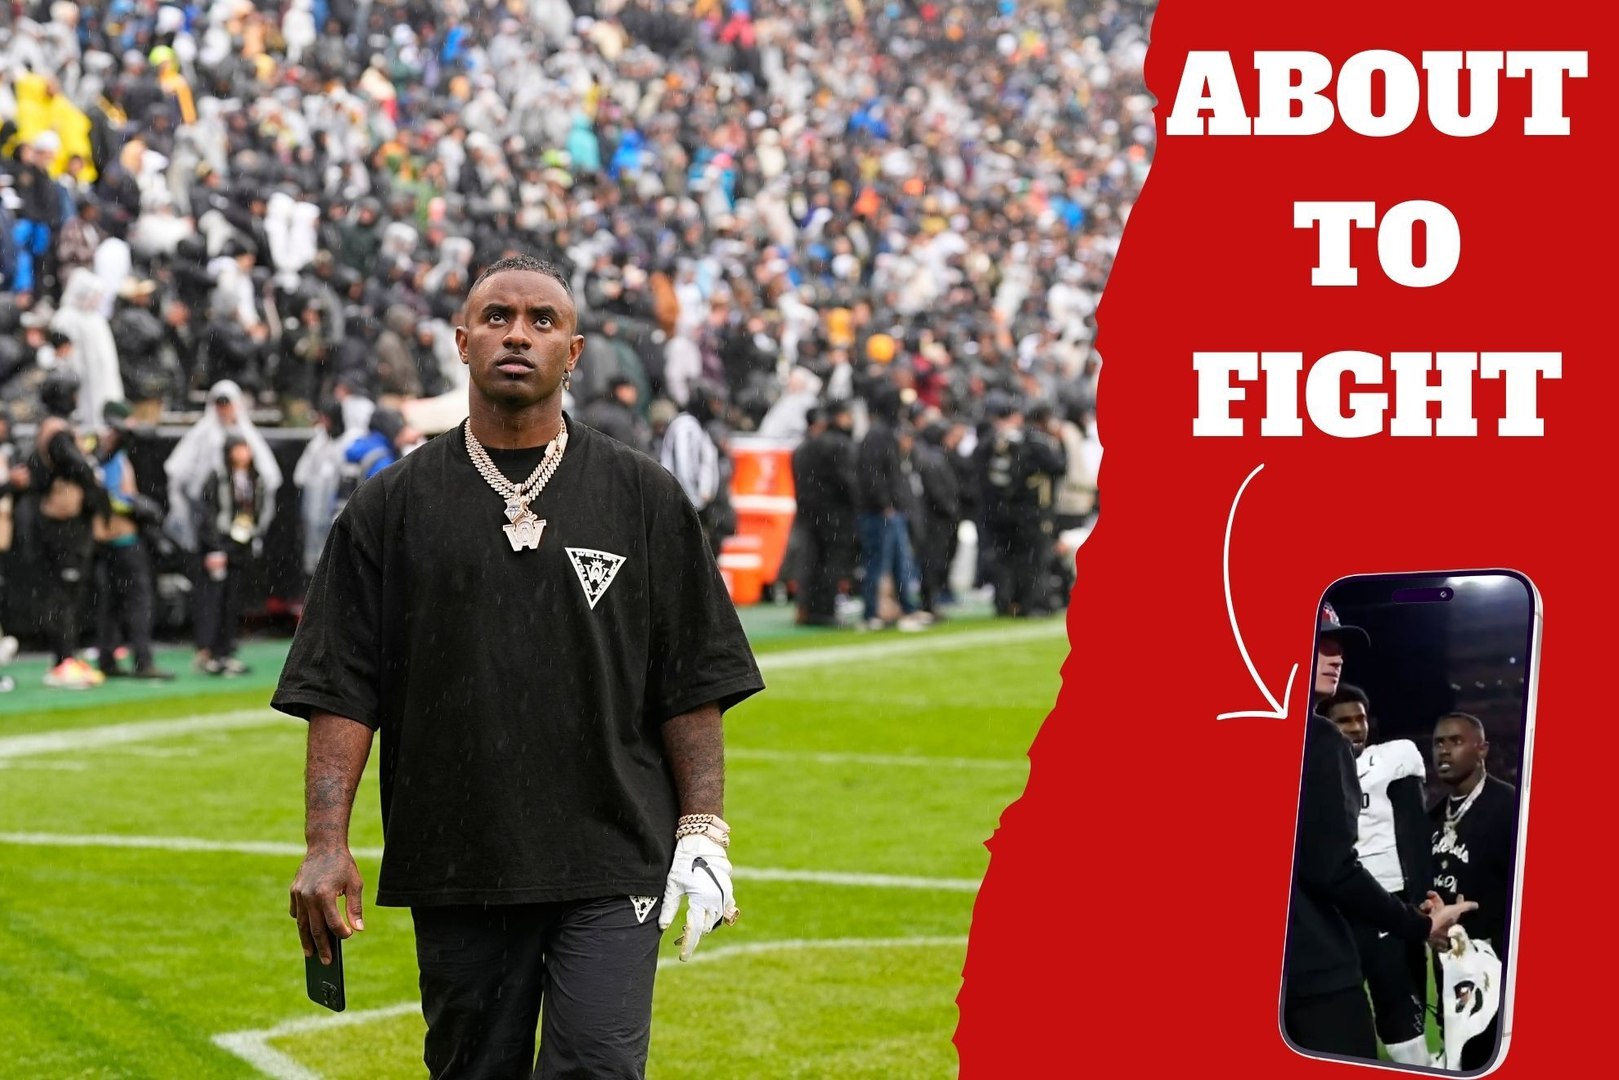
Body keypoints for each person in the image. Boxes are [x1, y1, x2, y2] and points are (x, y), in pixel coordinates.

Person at [274, 254, 765, 1079]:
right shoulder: (390, 506)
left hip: (613, 854)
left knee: (598, 1070)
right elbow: (342, 689)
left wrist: (703, 828)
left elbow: (692, 679)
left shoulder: (643, 496)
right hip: (459, 857)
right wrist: (327, 844)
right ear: (461, 343)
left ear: (573, 354)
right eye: (497, 317)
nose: (518, 334)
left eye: (542, 321)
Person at [1283, 604, 1477, 1060]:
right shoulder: (1320, 741)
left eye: (1338, 646)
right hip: (1317, 966)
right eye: (1321, 644)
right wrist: (1419, 921)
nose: (1336, 656)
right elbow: (1332, 869)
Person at [1318, 684, 1429, 1065]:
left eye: (1359, 718)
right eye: (1342, 720)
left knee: (1396, 1000)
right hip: (1330, 903)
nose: (1353, 727)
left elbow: (1414, 829)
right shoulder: (1316, 764)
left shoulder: (1392, 757)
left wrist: (1421, 893)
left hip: (1386, 895)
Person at [1429, 712, 1518, 1071]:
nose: (1444, 752)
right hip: (1450, 969)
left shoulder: (1511, 807)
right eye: (1438, 743)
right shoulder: (1431, 816)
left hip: (1497, 968)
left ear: (1482, 749)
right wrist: (1430, 923)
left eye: (1456, 741)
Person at [25, 369, 108, 689]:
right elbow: (79, 467)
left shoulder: (54, 428)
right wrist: (94, 480)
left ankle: (67, 657)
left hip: (64, 520)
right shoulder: (57, 432)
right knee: (64, 592)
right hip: (62, 522)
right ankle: (62, 660)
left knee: (67, 592)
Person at [90, 400, 172, 680]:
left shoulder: (100, 453)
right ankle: (142, 660)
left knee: (111, 602)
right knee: (138, 600)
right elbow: (115, 498)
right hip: (122, 539)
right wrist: (138, 506)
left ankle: (107, 657)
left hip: (106, 541)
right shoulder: (110, 456)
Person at [192, 436, 269, 676]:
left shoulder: (256, 479)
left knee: (232, 602)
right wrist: (214, 546)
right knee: (213, 600)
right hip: (220, 545)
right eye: (237, 448)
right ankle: (208, 651)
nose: (242, 453)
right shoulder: (217, 477)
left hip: (242, 546)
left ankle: (225, 651)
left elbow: (258, 510)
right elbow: (207, 513)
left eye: (245, 448)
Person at [855, 386, 927, 631]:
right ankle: (872, 613)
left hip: (889, 509)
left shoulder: (882, 433)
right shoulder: (878, 435)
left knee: (898, 563)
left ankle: (906, 609)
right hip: (881, 511)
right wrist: (884, 503)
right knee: (879, 563)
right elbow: (873, 474)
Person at [790, 400, 858, 627]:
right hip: (835, 515)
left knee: (812, 561)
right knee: (832, 563)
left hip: (809, 514)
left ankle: (808, 609)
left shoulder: (804, 447)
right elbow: (848, 483)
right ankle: (826, 610)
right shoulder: (839, 444)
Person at [580, 374, 654, 455]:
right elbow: (628, 451)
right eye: (629, 388)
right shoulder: (615, 416)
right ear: (619, 390)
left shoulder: (599, 407)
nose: (634, 393)